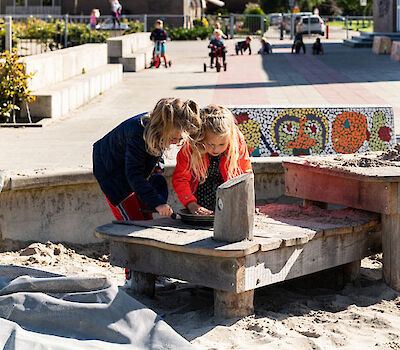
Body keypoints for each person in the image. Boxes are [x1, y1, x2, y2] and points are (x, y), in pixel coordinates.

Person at [172, 105, 252, 215]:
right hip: (199, 196)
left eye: (221, 144)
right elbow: (180, 178)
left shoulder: (237, 142)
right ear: (202, 137)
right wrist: (191, 204)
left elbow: (246, 175)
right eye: (210, 144)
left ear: (229, 140)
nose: (216, 149)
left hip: (228, 196)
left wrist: (246, 203)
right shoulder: (191, 146)